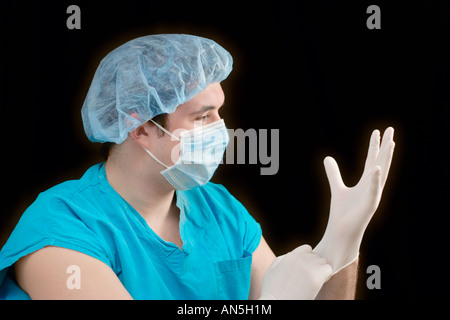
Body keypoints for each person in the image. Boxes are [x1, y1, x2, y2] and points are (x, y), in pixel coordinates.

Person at [0, 34, 395, 300]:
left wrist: (342, 247)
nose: (222, 130)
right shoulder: (61, 227)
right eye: (203, 117)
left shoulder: (218, 210)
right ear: (140, 127)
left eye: (220, 113)